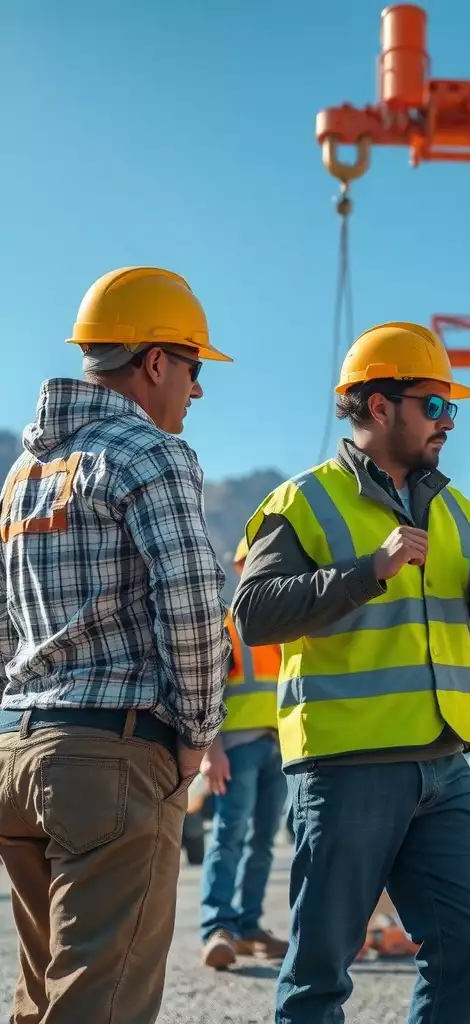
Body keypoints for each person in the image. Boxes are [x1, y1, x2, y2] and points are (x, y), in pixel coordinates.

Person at [231, 321, 470, 1024]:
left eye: (451, 409)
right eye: (434, 405)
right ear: (379, 407)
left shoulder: (456, 508)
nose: (448, 423)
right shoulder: (301, 503)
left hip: (442, 764)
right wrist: (369, 571)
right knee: (319, 971)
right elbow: (253, 614)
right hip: (345, 767)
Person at [0, 267, 232, 1023]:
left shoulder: (25, 472)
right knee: (103, 1005)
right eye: (194, 367)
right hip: (112, 761)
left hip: (17, 756)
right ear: (156, 361)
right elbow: (195, 602)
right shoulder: (147, 451)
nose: (196, 390)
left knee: (44, 999)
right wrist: (196, 734)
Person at [199, 537, 289, 970]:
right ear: (240, 568)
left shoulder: (286, 622)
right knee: (228, 836)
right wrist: (210, 749)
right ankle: (219, 928)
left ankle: (249, 927)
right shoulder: (225, 623)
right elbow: (205, 689)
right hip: (235, 748)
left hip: (281, 748)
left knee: (263, 845)